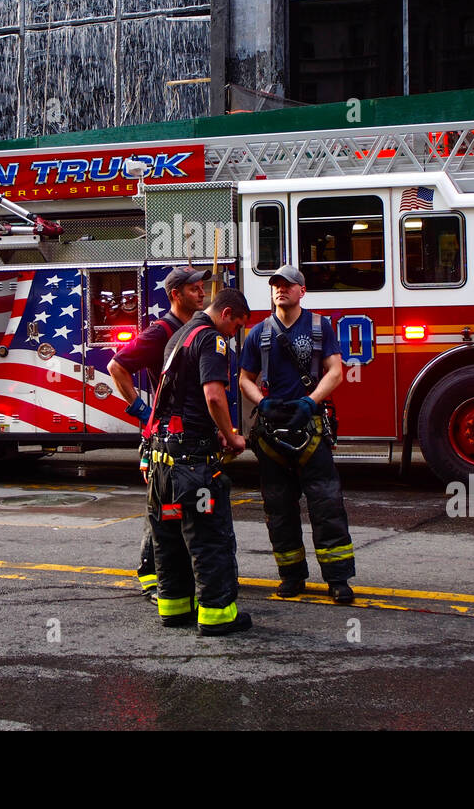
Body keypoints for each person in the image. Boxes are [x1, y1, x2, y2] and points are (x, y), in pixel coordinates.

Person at [238, 264, 356, 604]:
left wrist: (310, 402)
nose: (280, 289)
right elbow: (245, 377)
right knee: (278, 509)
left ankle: (338, 579)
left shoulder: (320, 326)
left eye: (288, 285)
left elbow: (335, 371)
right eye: (275, 284)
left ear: (301, 291)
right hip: (272, 434)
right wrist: (263, 402)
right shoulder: (258, 332)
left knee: (327, 505)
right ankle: (291, 576)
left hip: (311, 429)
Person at [145, 287, 252, 636]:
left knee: (170, 539)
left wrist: (213, 430)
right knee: (209, 537)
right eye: (236, 326)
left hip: (162, 464)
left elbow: (181, 399)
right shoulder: (212, 340)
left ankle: (175, 608)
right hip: (194, 467)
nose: (233, 335)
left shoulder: (178, 335)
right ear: (226, 315)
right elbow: (213, 395)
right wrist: (232, 435)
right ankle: (217, 615)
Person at [108, 266, 210, 599]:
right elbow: (117, 367)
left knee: (170, 507)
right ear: (174, 295)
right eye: (194, 288)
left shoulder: (194, 327)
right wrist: (140, 409)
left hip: (186, 433)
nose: (201, 292)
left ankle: (166, 573)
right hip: (163, 435)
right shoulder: (161, 332)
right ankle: (153, 576)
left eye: (202, 287)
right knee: (162, 509)